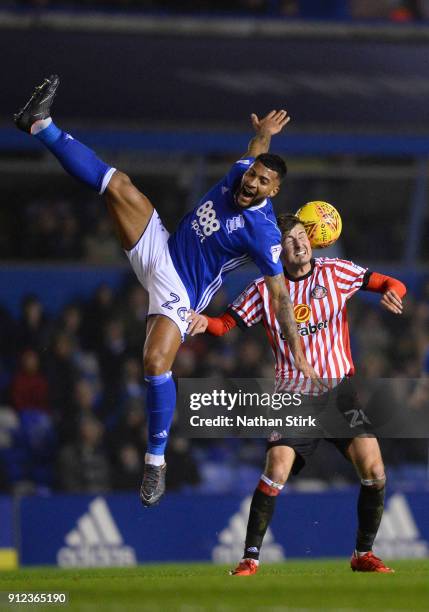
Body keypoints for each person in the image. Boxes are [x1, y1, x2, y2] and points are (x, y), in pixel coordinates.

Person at [14, 75, 317, 507]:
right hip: (162, 248)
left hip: (182, 290)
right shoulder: (240, 174)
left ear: (275, 191)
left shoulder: (263, 233)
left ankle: (155, 462)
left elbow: (280, 296)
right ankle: (39, 124)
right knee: (118, 185)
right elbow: (255, 154)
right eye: (252, 175)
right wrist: (263, 134)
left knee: (155, 363)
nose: (251, 182)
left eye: (262, 181)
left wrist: (297, 352)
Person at [188, 213, 407, 573]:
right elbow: (226, 324)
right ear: (279, 250)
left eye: (302, 237)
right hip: (294, 397)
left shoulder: (334, 272)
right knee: (276, 469)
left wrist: (393, 294)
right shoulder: (264, 289)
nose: (299, 243)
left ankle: (362, 554)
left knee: (375, 470)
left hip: (339, 396)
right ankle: (249, 559)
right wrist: (203, 323)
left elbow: (389, 282)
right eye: (290, 240)